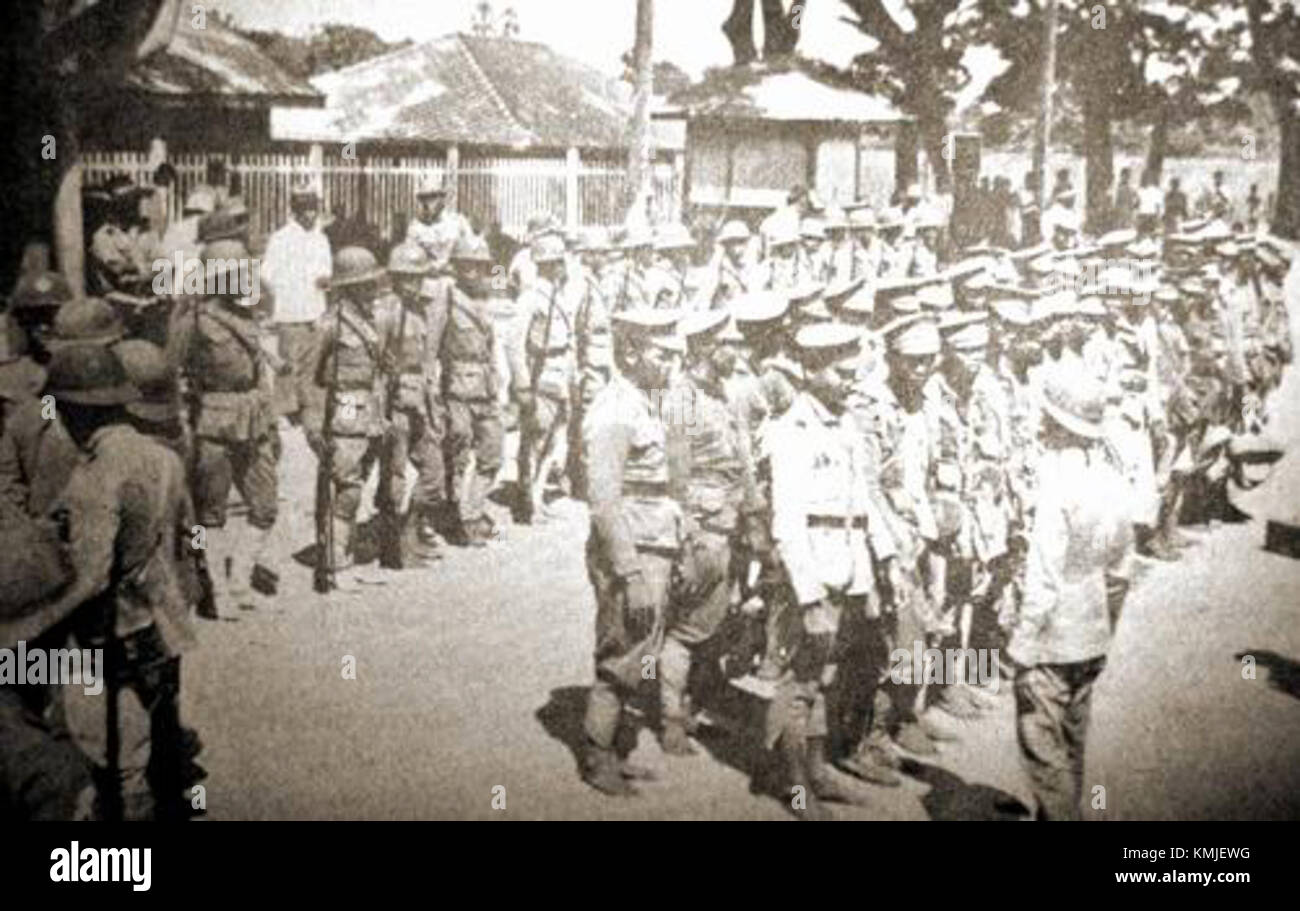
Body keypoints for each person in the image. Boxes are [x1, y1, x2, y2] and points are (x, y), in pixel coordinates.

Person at [26, 344, 202, 820]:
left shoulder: (97, 476)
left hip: (114, 631)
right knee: (158, 732)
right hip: (164, 618)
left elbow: (90, 577)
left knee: (114, 758)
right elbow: (188, 534)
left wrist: (28, 626)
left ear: (73, 410)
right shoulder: (161, 455)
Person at [764, 322, 898, 818]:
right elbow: (787, 522)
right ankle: (796, 786)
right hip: (813, 573)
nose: (850, 383)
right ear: (810, 370)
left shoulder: (845, 425)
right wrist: (808, 594)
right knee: (798, 683)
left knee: (821, 677)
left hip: (847, 565)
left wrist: (885, 561)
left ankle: (818, 771)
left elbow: (862, 502)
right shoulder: (790, 431)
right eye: (841, 374)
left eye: (853, 373)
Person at [1006, 374, 1133, 820]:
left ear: (1058, 428)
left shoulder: (1056, 487)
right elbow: (1121, 567)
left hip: (1052, 638)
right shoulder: (1112, 481)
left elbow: (1042, 576)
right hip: (1092, 627)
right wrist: (1106, 623)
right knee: (1074, 741)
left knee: (1044, 751)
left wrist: (1022, 646)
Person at [579, 308, 687, 796]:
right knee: (622, 650)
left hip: (655, 543)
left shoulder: (645, 402)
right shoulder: (613, 409)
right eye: (660, 353)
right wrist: (630, 571)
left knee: (641, 646)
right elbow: (603, 502)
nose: (669, 363)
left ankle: (616, 748)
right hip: (633, 551)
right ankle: (597, 752)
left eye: (672, 354)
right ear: (630, 352)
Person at [658, 308, 755, 756]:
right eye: (729, 344)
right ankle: (671, 720)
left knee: (713, 626)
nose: (738, 350)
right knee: (683, 630)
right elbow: (676, 475)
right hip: (702, 528)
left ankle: (694, 707)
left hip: (729, 524)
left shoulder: (725, 393)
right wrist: (687, 534)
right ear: (703, 348)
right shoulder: (681, 399)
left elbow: (743, 461)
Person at [168, 239, 282, 609]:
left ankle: (239, 581)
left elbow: (261, 374)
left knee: (265, 505)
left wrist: (273, 421)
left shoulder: (250, 317)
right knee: (208, 513)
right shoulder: (194, 320)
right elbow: (171, 374)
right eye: (233, 276)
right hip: (212, 422)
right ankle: (214, 587)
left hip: (255, 417)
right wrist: (180, 426)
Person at [306, 246, 393, 569]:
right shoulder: (329, 325)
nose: (373, 289)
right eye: (365, 284)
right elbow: (309, 379)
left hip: (369, 417)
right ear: (349, 287)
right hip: (342, 415)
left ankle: (346, 552)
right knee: (346, 489)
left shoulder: (375, 321)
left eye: (373, 283)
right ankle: (335, 559)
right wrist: (313, 425)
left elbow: (381, 369)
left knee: (358, 483)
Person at [376, 242, 449, 566]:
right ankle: (394, 547)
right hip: (395, 405)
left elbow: (427, 362)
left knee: (434, 472)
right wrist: (379, 413)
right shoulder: (386, 312)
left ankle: (411, 529)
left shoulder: (422, 310)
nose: (415, 283)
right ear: (395, 277)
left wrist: (433, 405)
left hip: (419, 401)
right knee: (393, 478)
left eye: (419, 277)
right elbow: (377, 366)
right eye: (408, 277)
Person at [441, 236, 505, 546]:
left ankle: (474, 510)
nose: (474, 272)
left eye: (479, 266)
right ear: (456, 267)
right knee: (458, 451)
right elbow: (432, 348)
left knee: (493, 452)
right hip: (456, 388)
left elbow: (492, 347)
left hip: (485, 386)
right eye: (466, 265)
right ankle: (454, 515)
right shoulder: (447, 299)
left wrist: (498, 382)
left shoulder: (487, 300)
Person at [261, 175, 333, 424]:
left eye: (313, 208)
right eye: (304, 209)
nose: (310, 214)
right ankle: (286, 411)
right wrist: (283, 297)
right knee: (288, 364)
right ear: (294, 210)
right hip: (290, 311)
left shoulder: (321, 239)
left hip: (315, 309)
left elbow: (326, 272)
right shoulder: (280, 238)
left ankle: (306, 408)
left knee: (311, 364)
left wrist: (324, 284)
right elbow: (266, 275)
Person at [515, 233, 574, 523]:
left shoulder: (558, 294)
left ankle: (537, 495)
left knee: (553, 443)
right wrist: (522, 383)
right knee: (536, 442)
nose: (562, 267)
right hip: (542, 375)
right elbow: (514, 343)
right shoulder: (530, 297)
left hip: (561, 373)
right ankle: (529, 503)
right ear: (547, 265)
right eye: (557, 262)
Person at [407, 174, 474, 274]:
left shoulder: (458, 222)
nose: (427, 203)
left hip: (457, 276)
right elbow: (410, 255)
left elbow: (471, 250)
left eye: (432, 197)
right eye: (424, 198)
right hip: (426, 277)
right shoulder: (415, 227)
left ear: (442, 199)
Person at [1112, 167, 1138, 231]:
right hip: (1120, 211)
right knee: (1120, 229)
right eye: (1125, 176)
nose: (1127, 178)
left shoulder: (1131, 188)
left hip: (1128, 212)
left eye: (1128, 176)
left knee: (1127, 228)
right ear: (1121, 176)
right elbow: (1115, 201)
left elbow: (1136, 199)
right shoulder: (1118, 187)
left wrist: (1134, 206)